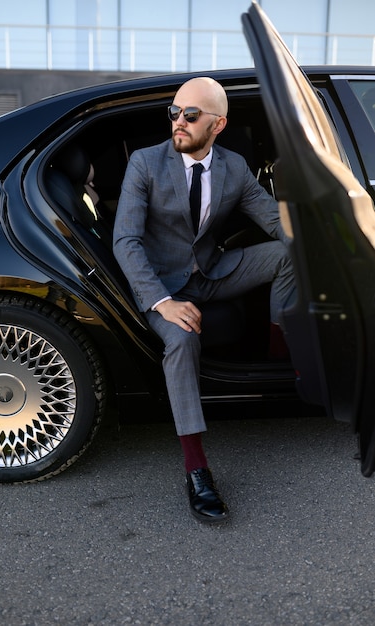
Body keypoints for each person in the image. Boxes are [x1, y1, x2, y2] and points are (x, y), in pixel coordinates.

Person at [113, 77, 295, 523]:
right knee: (182, 340)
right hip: (162, 285)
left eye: (190, 115)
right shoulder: (146, 163)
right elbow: (126, 241)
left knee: (292, 253)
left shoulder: (234, 167)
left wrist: (330, 235)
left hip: (212, 271)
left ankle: (282, 356)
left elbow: (273, 221)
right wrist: (162, 301)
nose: (179, 121)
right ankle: (196, 469)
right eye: (174, 112)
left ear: (218, 124)